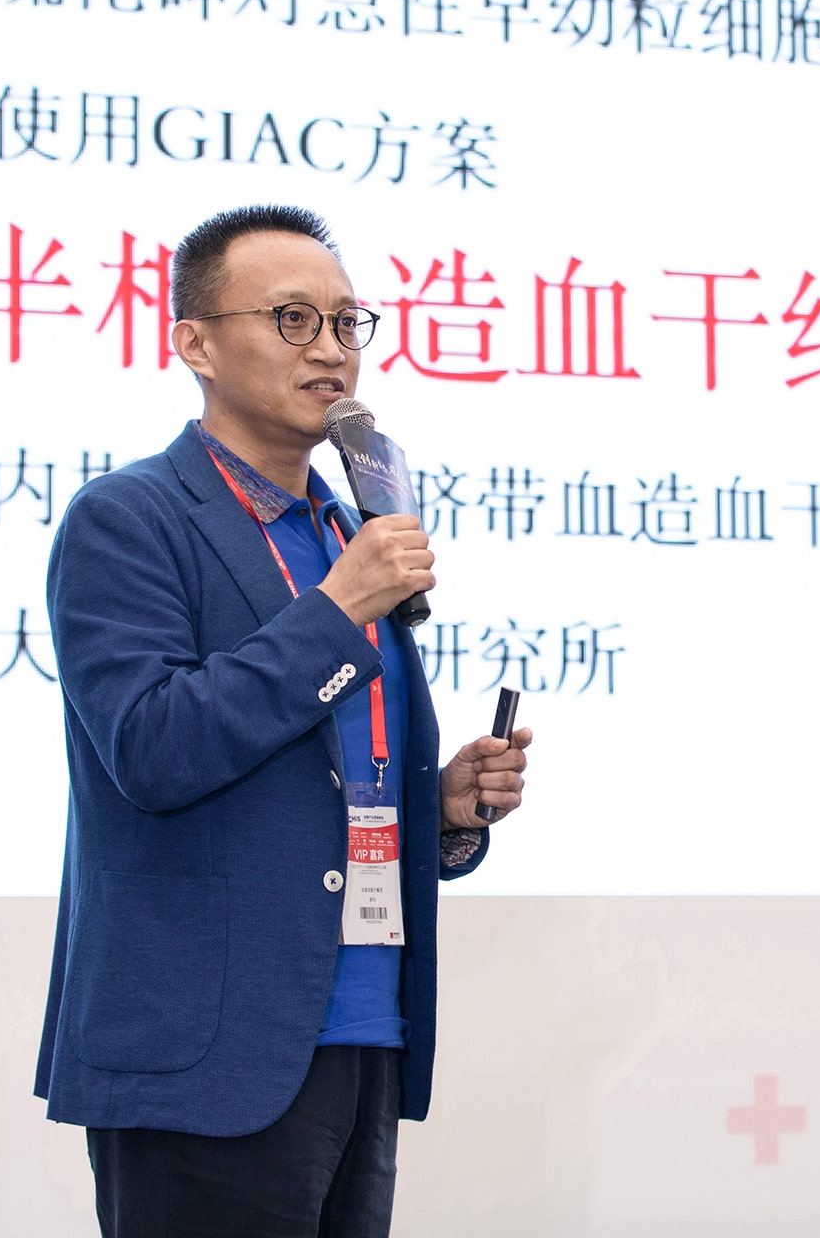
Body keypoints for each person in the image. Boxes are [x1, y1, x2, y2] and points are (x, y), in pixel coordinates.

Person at [32, 204, 531, 1237]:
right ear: (196, 344)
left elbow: (328, 776)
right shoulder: (128, 519)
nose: (332, 350)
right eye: (293, 319)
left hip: (362, 1031)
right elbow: (153, 749)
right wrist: (338, 610)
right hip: (204, 1052)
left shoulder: (349, 532)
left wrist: (441, 809)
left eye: (348, 323)